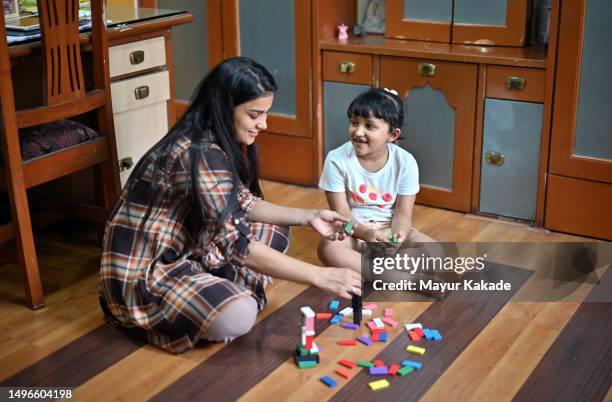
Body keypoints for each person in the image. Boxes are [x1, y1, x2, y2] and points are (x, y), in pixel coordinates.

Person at [99, 57, 361, 354]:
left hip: (190, 250)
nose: (264, 124)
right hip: (146, 274)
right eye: (254, 115)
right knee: (240, 314)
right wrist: (321, 276)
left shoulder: (215, 140)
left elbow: (242, 202)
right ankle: (228, 291)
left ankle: (223, 285)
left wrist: (309, 215)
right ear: (225, 108)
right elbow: (238, 246)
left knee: (277, 230)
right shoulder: (199, 153)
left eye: (266, 113)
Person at [317, 87, 443, 292]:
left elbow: (403, 214)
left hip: (389, 231)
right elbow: (342, 214)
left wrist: (396, 238)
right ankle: (402, 279)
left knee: (436, 252)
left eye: (369, 126)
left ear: (392, 135)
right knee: (328, 249)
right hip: (355, 233)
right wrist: (366, 234)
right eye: (354, 123)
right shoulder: (336, 159)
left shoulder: (406, 162)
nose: (358, 132)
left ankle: (375, 272)